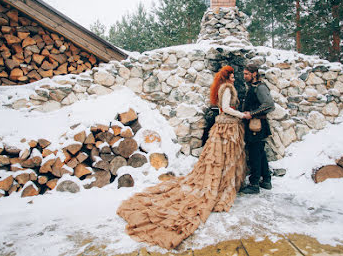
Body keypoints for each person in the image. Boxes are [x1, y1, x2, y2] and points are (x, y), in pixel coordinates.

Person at [117, 65, 249, 250]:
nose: (235, 79)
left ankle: (222, 180)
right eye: (233, 76)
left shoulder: (222, 87)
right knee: (223, 156)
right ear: (228, 77)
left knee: (223, 157)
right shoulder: (226, 88)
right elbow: (225, 107)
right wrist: (241, 114)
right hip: (227, 126)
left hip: (225, 125)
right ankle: (221, 184)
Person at [241, 63, 275, 194]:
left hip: (257, 126)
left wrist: (252, 113)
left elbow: (270, 105)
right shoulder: (253, 87)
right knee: (260, 153)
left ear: (254, 73)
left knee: (255, 153)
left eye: (247, 74)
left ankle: (254, 184)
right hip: (254, 126)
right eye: (244, 74)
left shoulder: (260, 87)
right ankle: (266, 180)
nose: (244, 76)